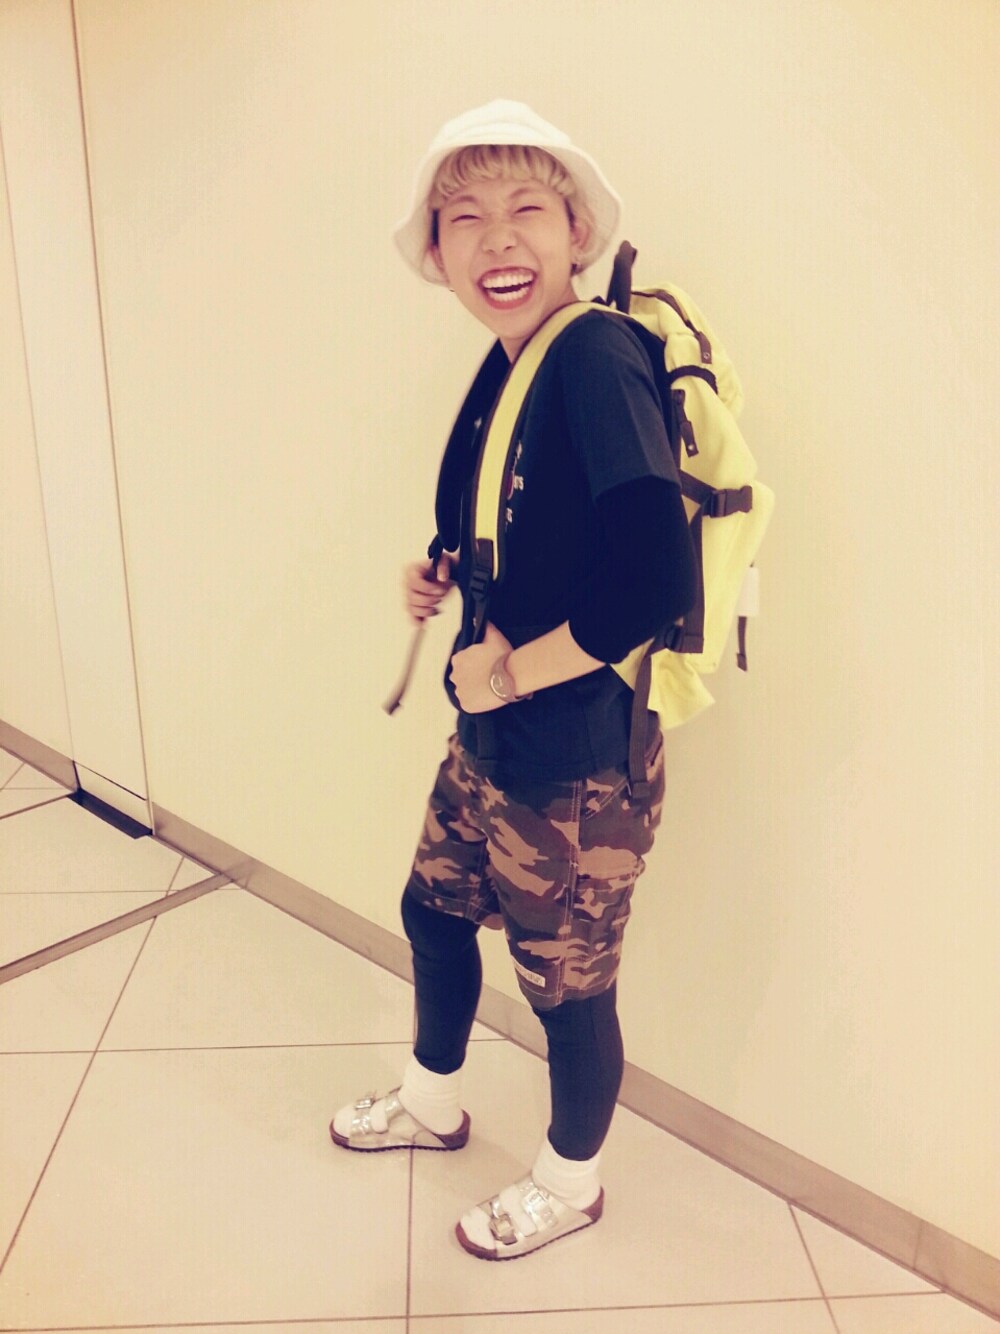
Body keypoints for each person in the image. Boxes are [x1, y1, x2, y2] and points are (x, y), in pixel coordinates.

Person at [331, 100, 698, 1261]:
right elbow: (519, 524)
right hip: (492, 738)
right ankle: (432, 1102)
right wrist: (440, 573)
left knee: (566, 988)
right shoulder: (512, 365)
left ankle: (570, 1183)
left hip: (578, 758)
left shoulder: (592, 354)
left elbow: (654, 577)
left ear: (576, 231)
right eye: (464, 218)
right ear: (438, 254)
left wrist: (510, 669)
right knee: (431, 910)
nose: (496, 238)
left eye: (526, 208)